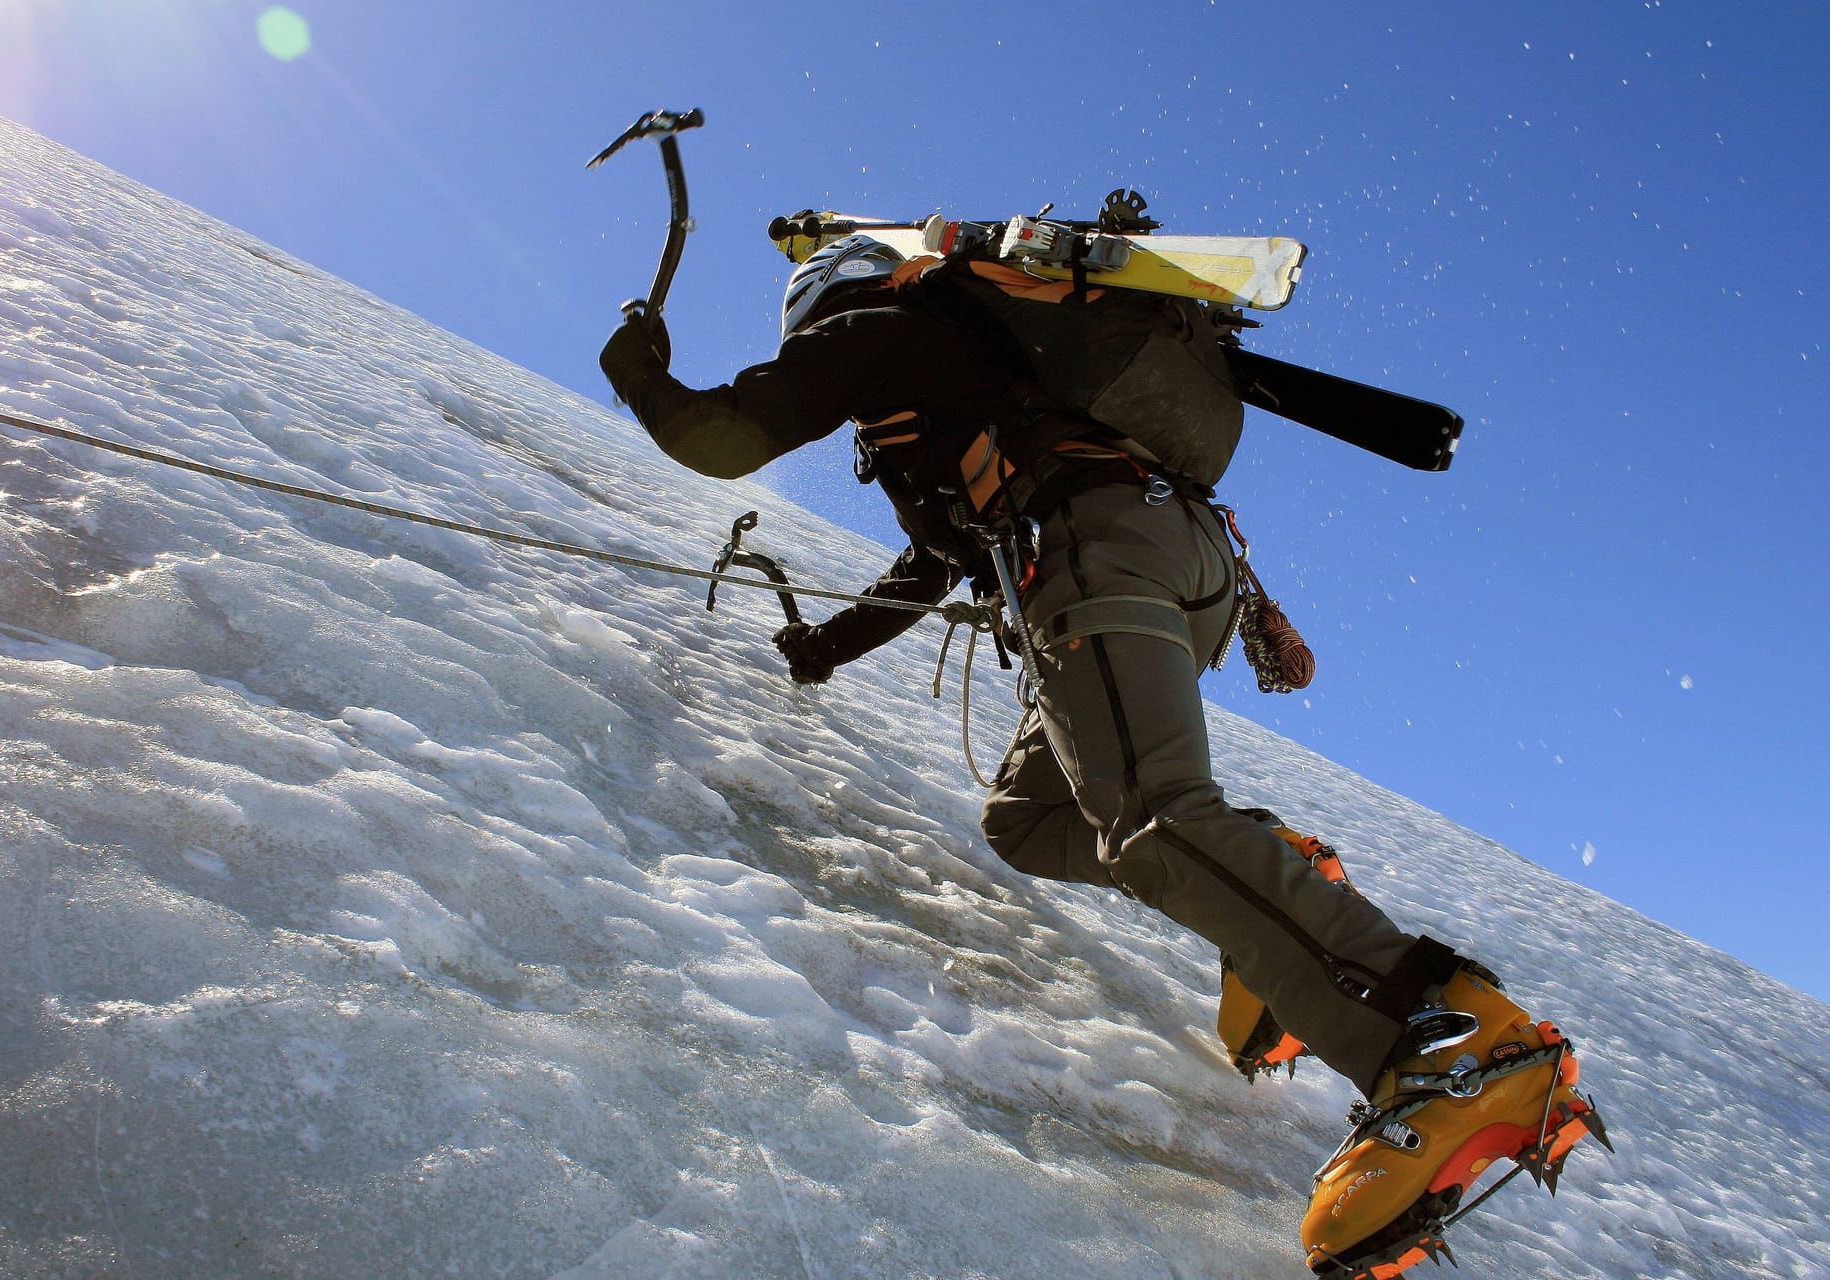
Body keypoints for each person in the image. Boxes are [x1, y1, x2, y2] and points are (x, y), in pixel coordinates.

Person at [599, 235, 1605, 1277]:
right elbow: (935, 563)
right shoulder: (965, 385)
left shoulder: (880, 330)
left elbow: (716, 438)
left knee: (1155, 812)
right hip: (1167, 552)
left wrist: (636, 365)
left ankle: (1448, 1042)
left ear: (818, 308)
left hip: (1096, 545)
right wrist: (827, 645)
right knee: (1031, 821)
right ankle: (1277, 880)